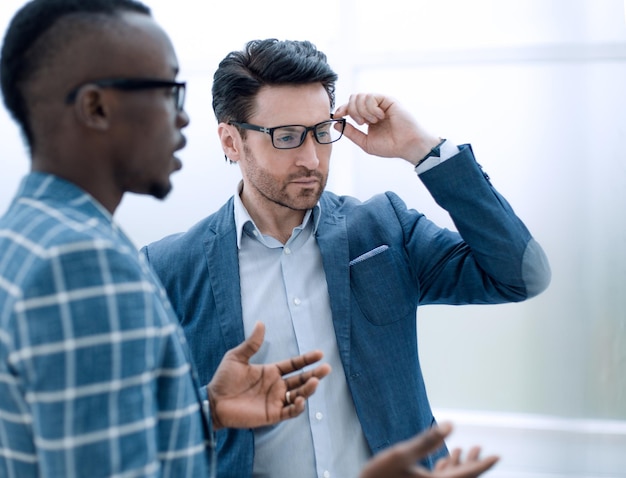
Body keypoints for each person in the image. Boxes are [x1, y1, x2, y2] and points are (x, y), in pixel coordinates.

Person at [143, 38, 551, 478]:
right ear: (231, 141)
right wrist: (211, 410)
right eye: (286, 137)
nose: (311, 157)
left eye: (321, 131)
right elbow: (130, 421)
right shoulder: (167, 270)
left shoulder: (384, 228)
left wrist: (423, 150)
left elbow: (520, 275)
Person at [0, 3, 332, 477]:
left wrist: (208, 411)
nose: (182, 121)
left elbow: (79, 442)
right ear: (96, 107)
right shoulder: (84, 263)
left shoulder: (26, 234)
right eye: (167, 91)